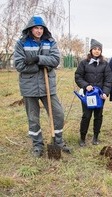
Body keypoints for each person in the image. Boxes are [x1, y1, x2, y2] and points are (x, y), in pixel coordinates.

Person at [13, 16, 71, 157]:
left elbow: (55, 60)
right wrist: (41, 65)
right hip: (29, 87)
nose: (39, 31)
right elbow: (19, 65)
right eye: (36, 28)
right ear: (30, 29)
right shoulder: (21, 43)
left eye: (41, 28)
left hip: (47, 86)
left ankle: (58, 142)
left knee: (58, 114)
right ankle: (37, 145)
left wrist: (38, 59)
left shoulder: (50, 42)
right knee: (33, 118)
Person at [75, 39, 112, 146]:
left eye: (99, 49)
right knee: (86, 116)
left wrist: (105, 92)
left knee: (98, 116)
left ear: (101, 51)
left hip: (99, 96)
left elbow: (108, 79)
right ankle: (82, 138)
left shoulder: (105, 64)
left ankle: (96, 137)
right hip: (88, 95)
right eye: (95, 49)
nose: (96, 51)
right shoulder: (84, 63)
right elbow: (78, 76)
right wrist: (86, 85)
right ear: (91, 50)